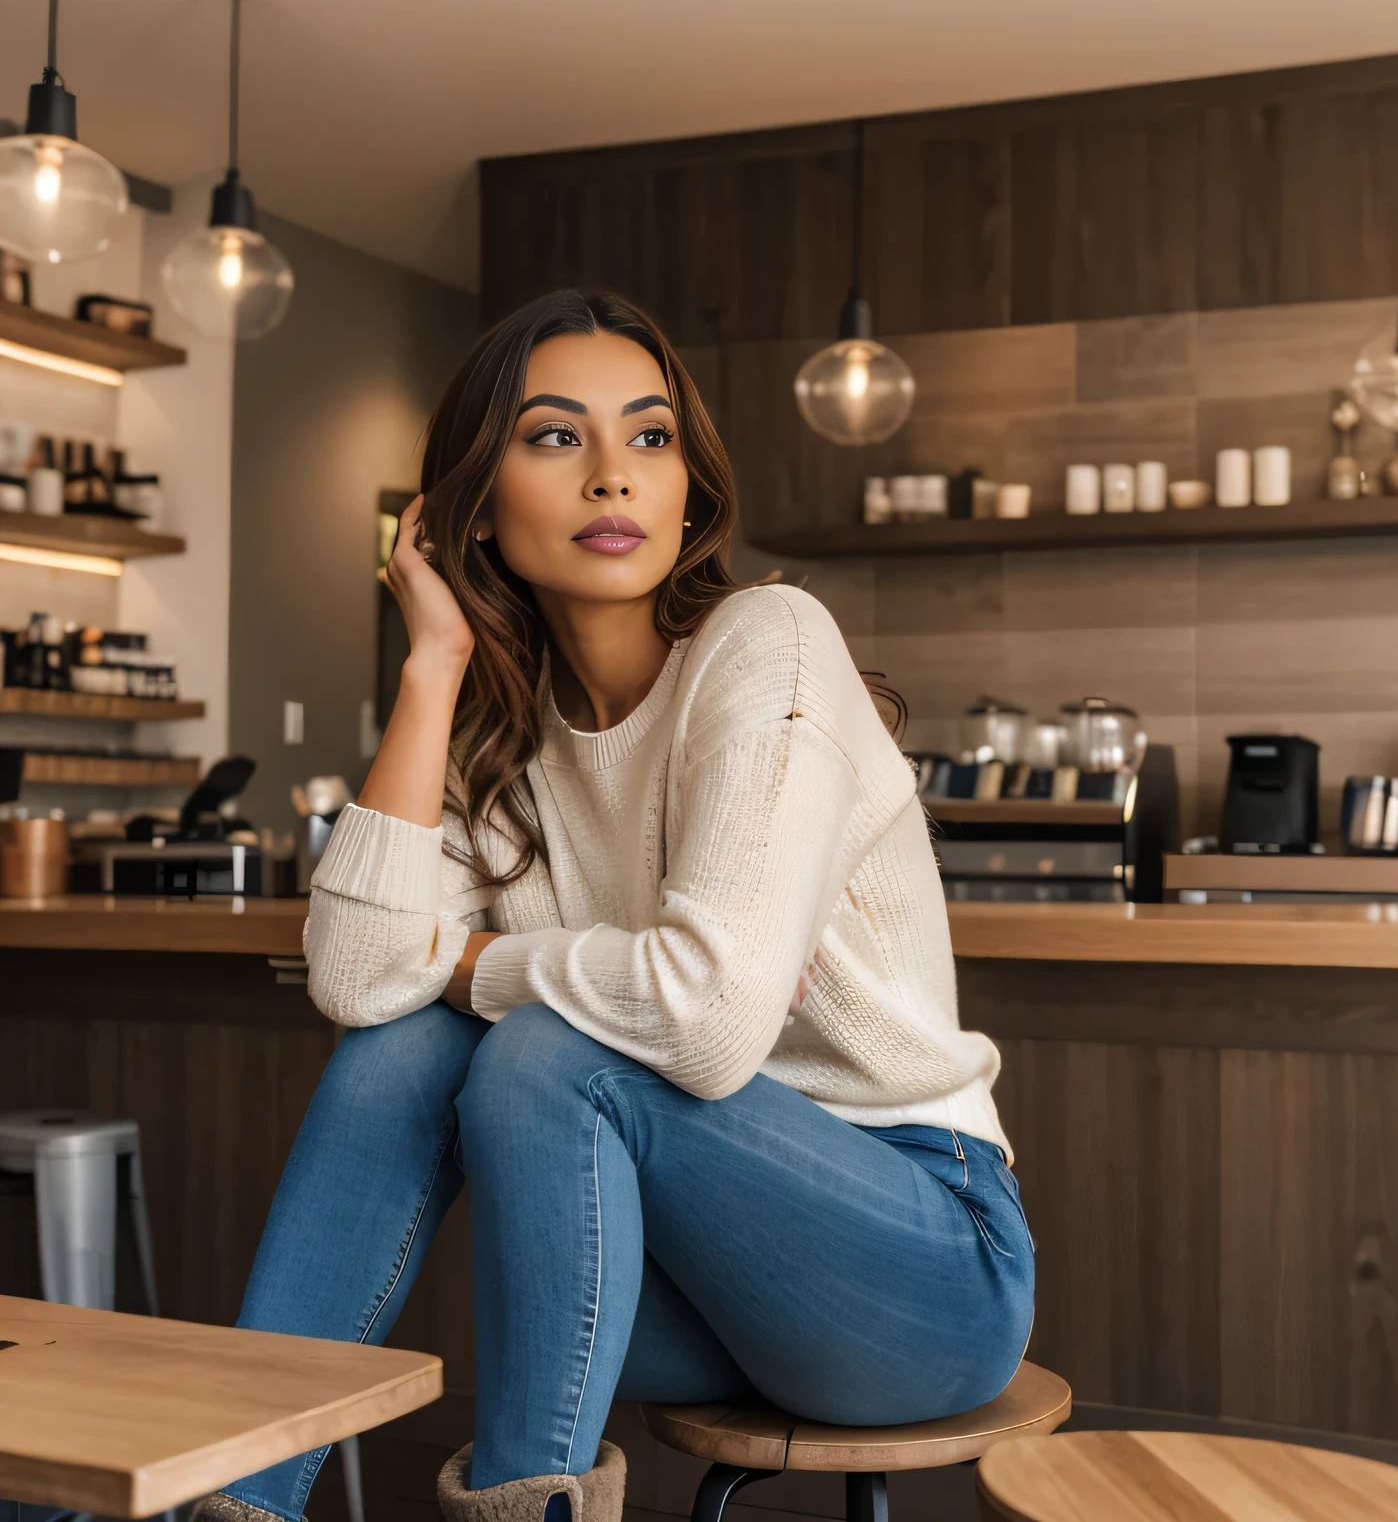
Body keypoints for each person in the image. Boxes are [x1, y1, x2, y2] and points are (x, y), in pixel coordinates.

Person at [195, 291, 1033, 1522]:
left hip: (920, 1263)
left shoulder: (770, 645)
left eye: (649, 439)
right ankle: (239, 1501)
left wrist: (480, 959)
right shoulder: (506, 750)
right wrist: (429, 668)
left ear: (691, 487)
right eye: (551, 438)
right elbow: (361, 974)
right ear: (470, 509)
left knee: (542, 1051)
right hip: (683, 1286)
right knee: (412, 1041)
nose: (610, 478)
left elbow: (706, 1019)